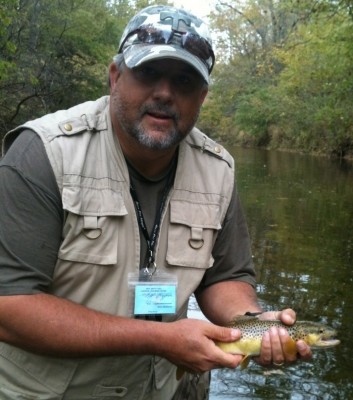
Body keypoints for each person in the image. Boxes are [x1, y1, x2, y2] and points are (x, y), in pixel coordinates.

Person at [0, 5, 311, 400]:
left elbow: (225, 276)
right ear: (115, 77)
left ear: (202, 97)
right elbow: (9, 306)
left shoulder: (218, 169)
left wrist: (253, 325)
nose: (165, 93)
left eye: (184, 81)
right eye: (147, 72)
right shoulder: (42, 154)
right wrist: (160, 338)